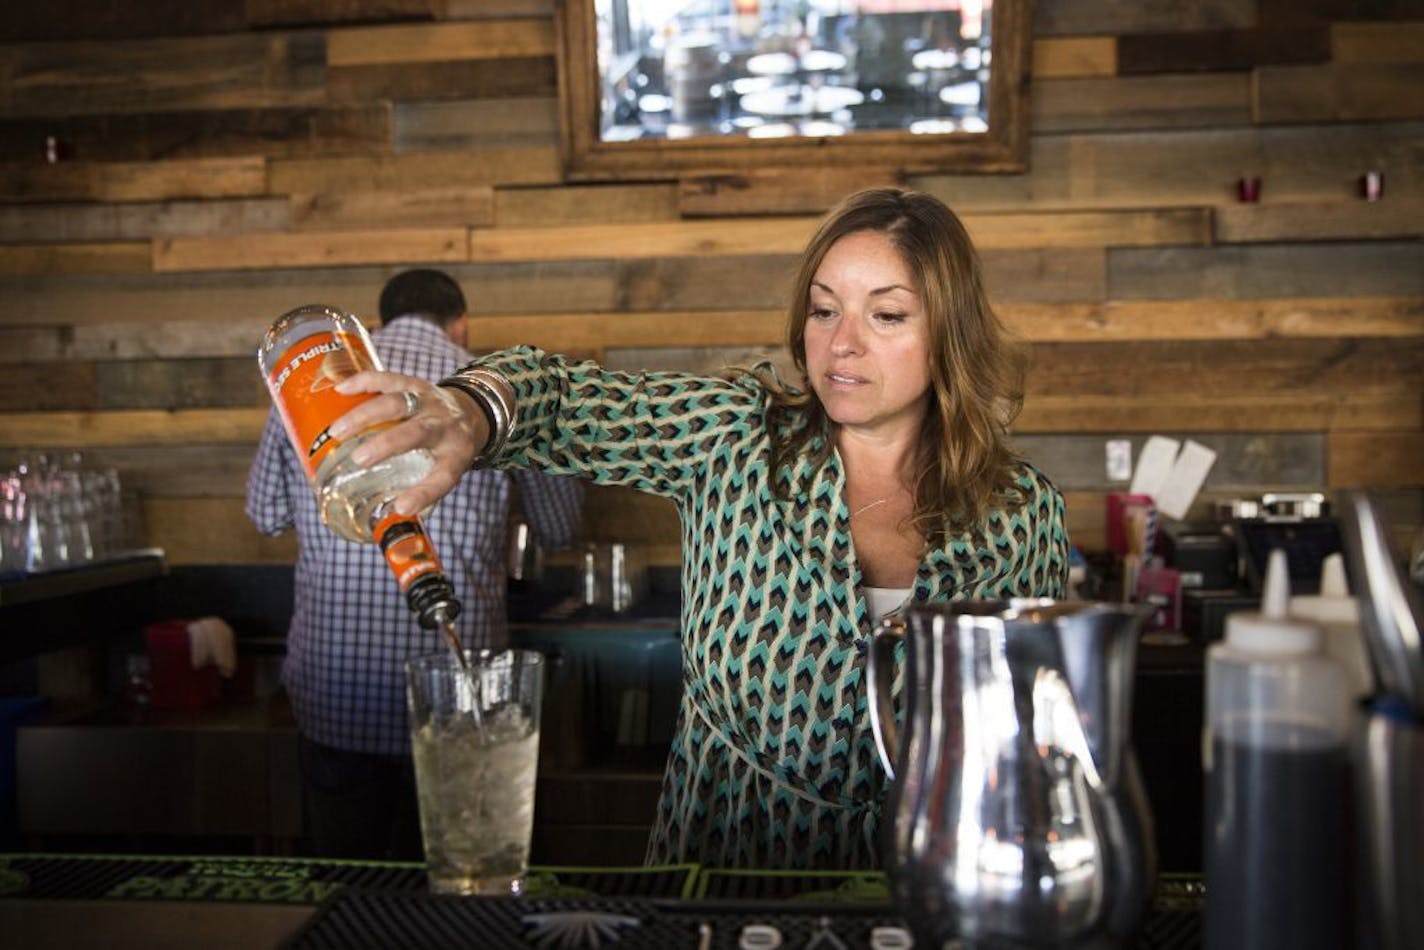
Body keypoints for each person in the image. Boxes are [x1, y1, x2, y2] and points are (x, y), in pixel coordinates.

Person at [324, 189, 1069, 869]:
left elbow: (1038, 747)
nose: (841, 343)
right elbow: (563, 397)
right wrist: (473, 411)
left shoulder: (1021, 514)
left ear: (950, 330)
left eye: (887, 314)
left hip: (932, 891)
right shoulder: (733, 440)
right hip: (723, 872)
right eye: (823, 309)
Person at [245, 268, 583, 860]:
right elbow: (559, 527)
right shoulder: (493, 399)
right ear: (461, 324)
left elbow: (266, 512)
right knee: (459, 894)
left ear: (376, 325)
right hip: (457, 692)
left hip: (335, 692)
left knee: (351, 895)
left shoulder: (309, 392)